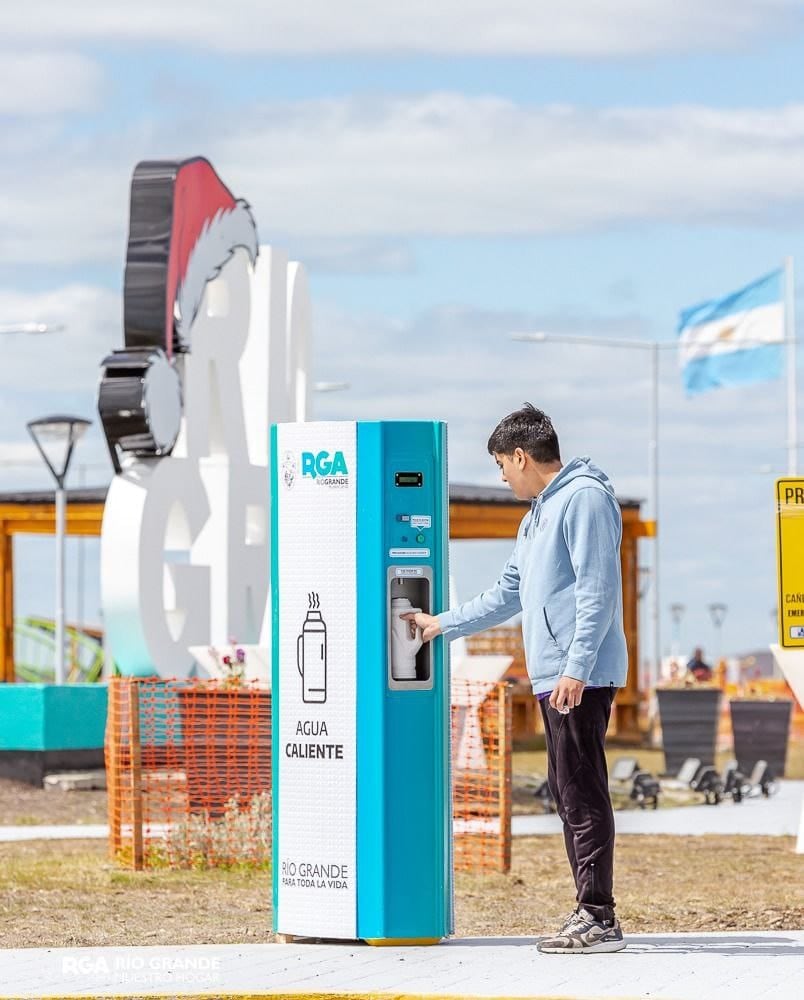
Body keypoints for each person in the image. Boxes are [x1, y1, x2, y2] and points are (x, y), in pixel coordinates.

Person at [404, 403, 628, 954]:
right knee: (567, 790)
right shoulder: (537, 516)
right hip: (556, 674)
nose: (501, 478)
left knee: (581, 792)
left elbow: (597, 592)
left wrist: (576, 667)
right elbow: (507, 594)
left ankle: (598, 917)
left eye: (502, 465)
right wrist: (441, 625)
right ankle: (591, 912)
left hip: (582, 676)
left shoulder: (584, 501)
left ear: (522, 456)